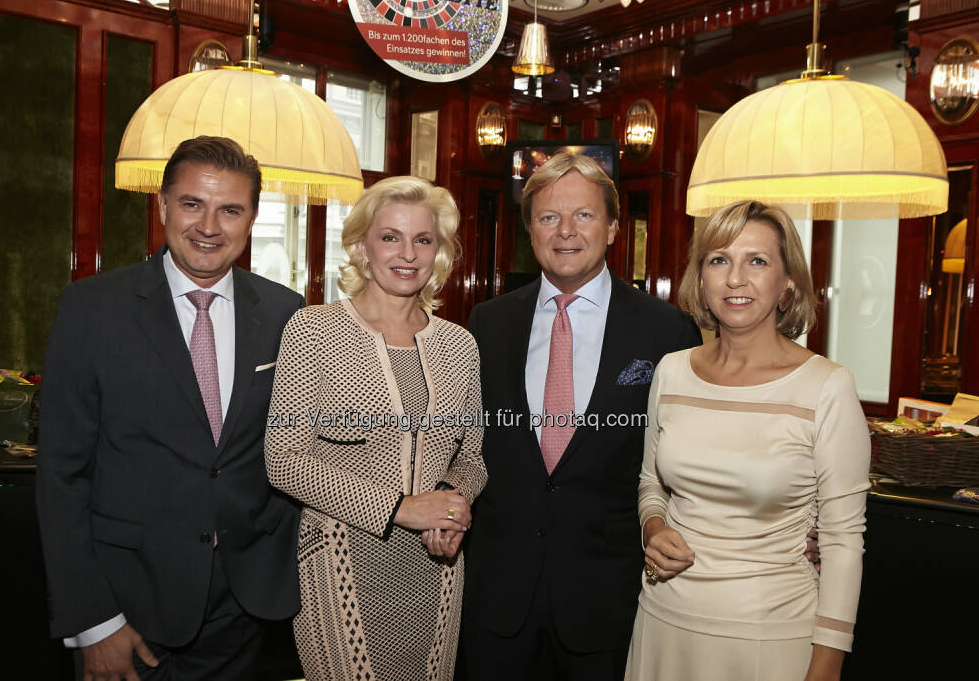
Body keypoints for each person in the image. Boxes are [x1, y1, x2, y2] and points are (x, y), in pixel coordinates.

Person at [36, 136, 304, 680]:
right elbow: (61, 476)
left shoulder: (284, 311)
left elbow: (293, 444)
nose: (209, 226)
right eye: (191, 204)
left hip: (245, 610)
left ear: (251, 219)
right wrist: (94, 622)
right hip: (127, 609)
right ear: (162, 206)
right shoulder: (92, 308)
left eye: (230, 210)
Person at [460, 153, 703, 680]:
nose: (566, 231)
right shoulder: (487, 322)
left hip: (608, 599)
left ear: (614, 227)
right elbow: (464, 442)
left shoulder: (668, 333)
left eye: (584, 216)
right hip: (498, 598)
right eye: (548, 217)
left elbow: (683, 461)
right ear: (529, 231)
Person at [626, 200, 870, 681]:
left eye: (757, 261)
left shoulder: (827, 387)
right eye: (719, 260)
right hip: (662, 622)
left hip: (770, 637)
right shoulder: (672, 372)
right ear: (701, 280)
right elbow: (651, 483)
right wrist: (653, 528)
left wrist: (827, 664)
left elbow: (844, 541)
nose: (736, 278)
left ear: (788, 282)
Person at [264, 175, 487, 681]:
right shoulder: (314, 330)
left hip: (438, 569)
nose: (407, 253)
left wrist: (452, 509)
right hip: (342, 562)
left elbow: (470, 459)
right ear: (362, 246)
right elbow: (284, 459)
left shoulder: (459, 345)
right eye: (390, 237)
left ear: (439, 253)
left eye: (423, 240)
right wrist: (401, 508)